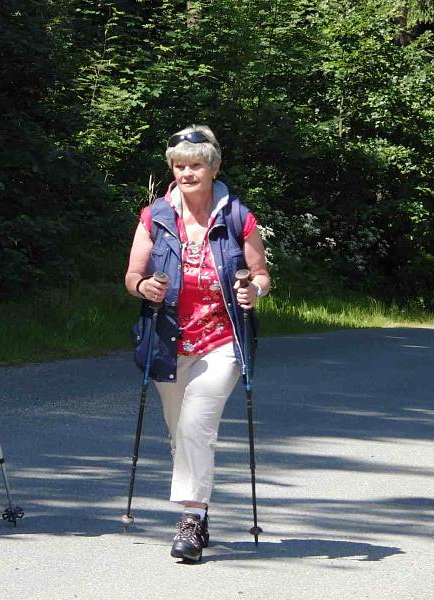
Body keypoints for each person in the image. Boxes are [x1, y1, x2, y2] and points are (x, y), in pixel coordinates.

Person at [124, 125, 271, 562]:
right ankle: (200, 511)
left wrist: (255, 291)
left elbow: (261, 273)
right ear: (172, 169)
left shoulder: (238, 216)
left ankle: (189, 520)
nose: (188, 173)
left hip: (221, 339)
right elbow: (132, 276)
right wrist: (144, 287)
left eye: (196, 165)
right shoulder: (155, 216)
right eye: (180, 166)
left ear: (214, 167)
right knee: (180, 433)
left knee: (195, 426)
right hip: (169, 341)